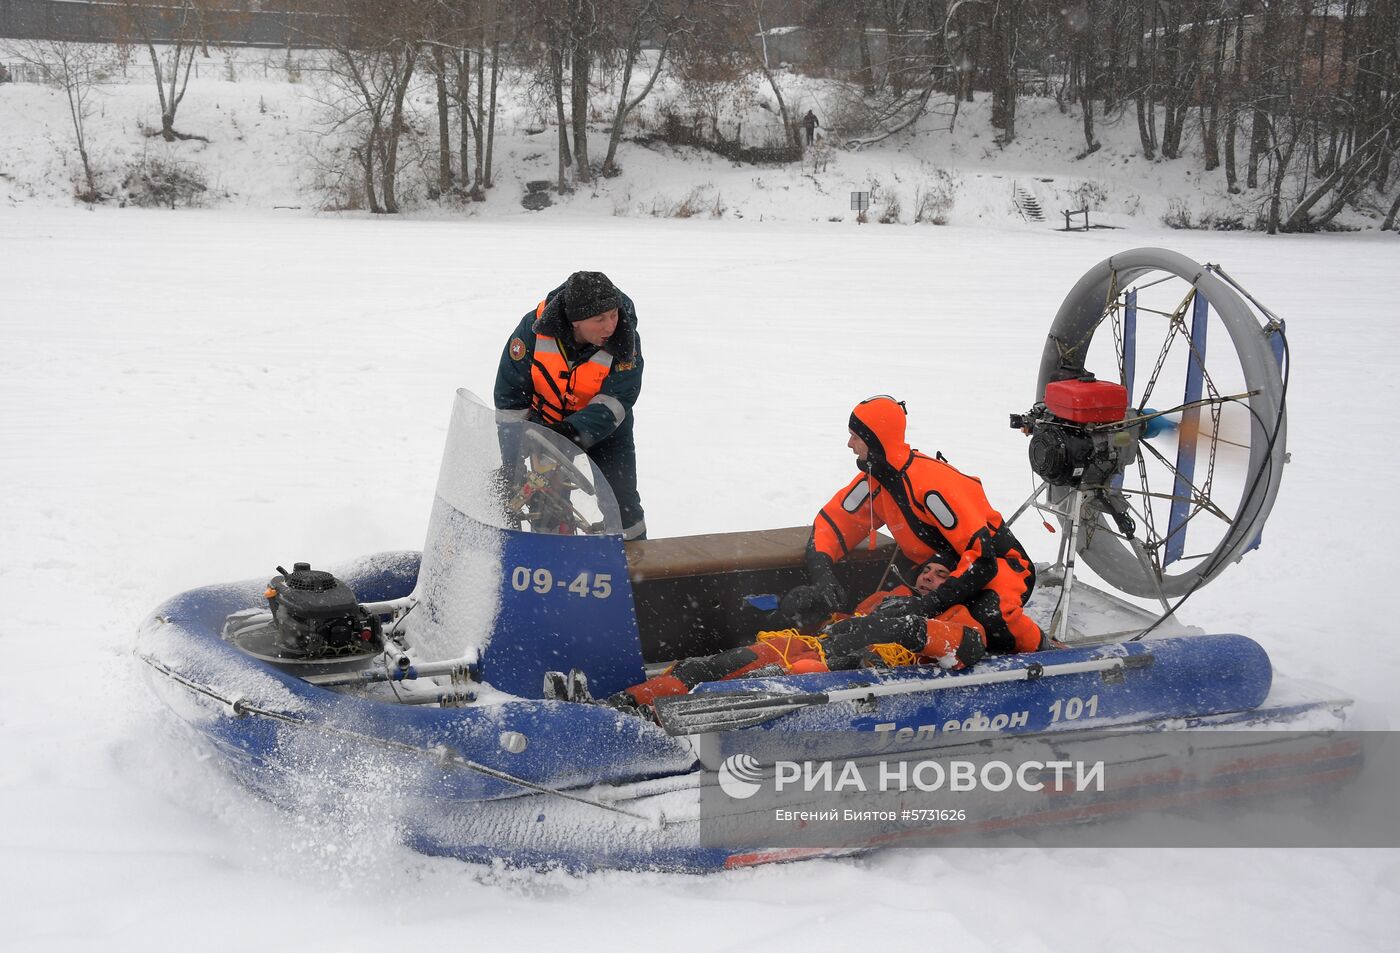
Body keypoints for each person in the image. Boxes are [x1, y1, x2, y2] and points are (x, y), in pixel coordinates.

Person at [778, 395, 1041, 656]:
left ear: (875, 440)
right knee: (883, 606)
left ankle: (1045, 651)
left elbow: (982, 560)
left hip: (1003, 565)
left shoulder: (932, 485)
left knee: (990, 616)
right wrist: (823, 578)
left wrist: (929, 605)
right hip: (939, 569)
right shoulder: (875, 480)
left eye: (855, 437)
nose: (849, 444)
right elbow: (832, 527)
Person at [611, 554, 986, 708]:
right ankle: (625, 706)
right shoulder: (885, 597)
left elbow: (968, 647)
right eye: (927, 570)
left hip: (861, 671)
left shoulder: (957, 612)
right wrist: (804, 608)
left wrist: (900, 629)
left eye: (941, 576)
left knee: (772, 680)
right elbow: (840, 625)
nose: (928, 578)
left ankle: (670, 724)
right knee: (711, 667)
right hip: (805, 648)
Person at [494, 271, 647, 540]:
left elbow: (618, 399)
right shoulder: (532, 331)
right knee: (545, 504)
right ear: (575, 321)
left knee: (623, 506)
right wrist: (511, 461)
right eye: (599, 319)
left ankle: (635, 567)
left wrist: (570, 433)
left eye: (613, 314)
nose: (610, 325)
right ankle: (551, 559)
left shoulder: (625, 338)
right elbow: (510, 400)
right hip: (545, 429)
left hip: (607, 430)